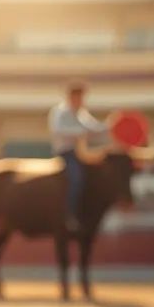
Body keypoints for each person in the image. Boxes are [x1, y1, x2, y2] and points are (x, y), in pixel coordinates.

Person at [49, 80, 113, 231]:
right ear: (70, 96)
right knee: (76, 177)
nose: (80, 100)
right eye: (77, 96)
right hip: (66, 154)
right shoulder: (60, 112)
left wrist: (111, 126)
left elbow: (95, 130)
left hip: (82, 154)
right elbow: (58, 130)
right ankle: (69, 214)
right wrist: (80, 133)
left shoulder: (82, 114)